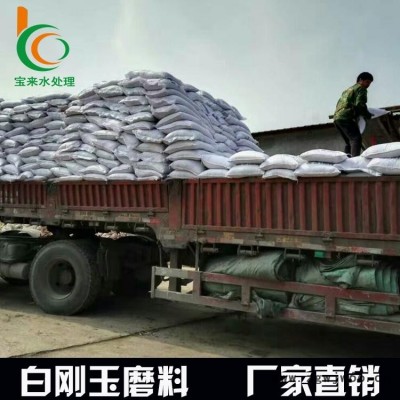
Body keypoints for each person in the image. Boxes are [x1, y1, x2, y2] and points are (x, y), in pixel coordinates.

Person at [333, 72, 374, 157]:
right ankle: (355, 160)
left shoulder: (347, 90)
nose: (368, 85)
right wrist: (367, 115)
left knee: (348, 141)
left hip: (337, 118)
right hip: (346, 117)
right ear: (360, 80)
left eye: (370, 83)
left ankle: (346, 160)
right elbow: (360, 104)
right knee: (356, 138)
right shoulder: (361, 89)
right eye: (367, 82)